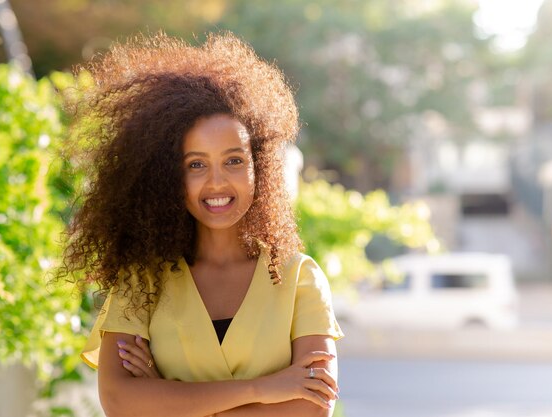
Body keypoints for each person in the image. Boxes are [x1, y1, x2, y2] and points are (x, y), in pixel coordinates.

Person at [59, 32, 344, 417]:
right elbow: (119, 402)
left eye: (234, 160)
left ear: (259, 167)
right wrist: (264, 388)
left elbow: (312, 406)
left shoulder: (298, 279)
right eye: (196, 164)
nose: (217, 183)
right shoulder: (141, 281)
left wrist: (168, 399)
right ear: (166, 176)